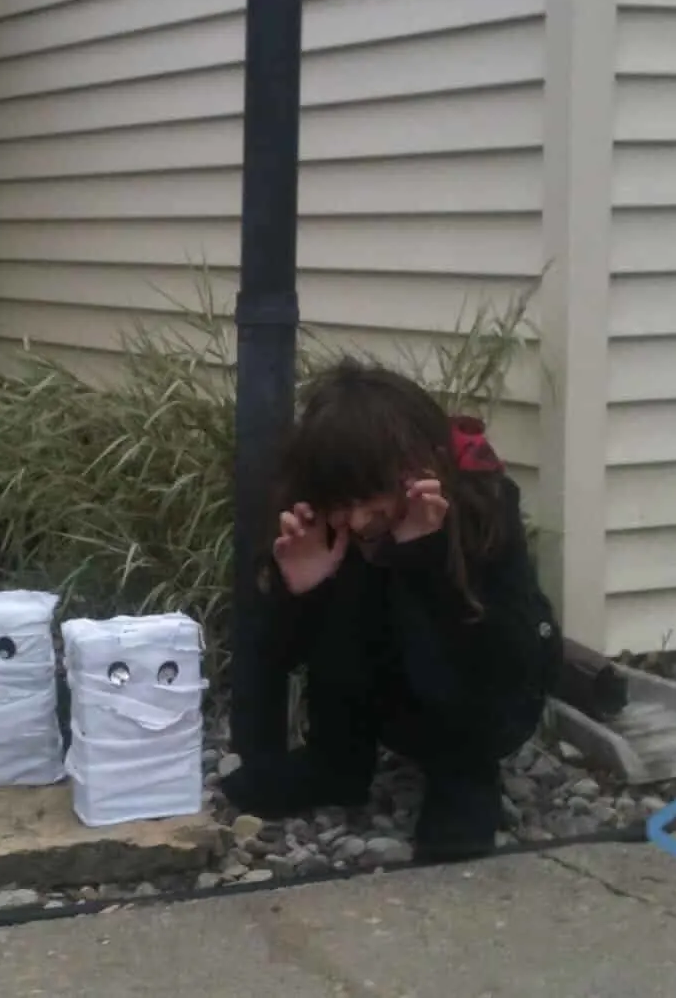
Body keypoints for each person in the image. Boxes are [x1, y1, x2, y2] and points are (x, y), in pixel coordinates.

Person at [220, 359, 563, 863]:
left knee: (418, 606)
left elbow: (508, 662)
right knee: (348, 586)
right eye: (344, 502)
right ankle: (337, 764)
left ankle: (463, 778)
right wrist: (299, 591)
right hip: (393, 707)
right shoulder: (320, 521)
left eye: (369, 499)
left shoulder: (480, 504)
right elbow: (277, 654)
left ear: (412, 471)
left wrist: (424, 563)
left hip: (491, 708)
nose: (358, 521)